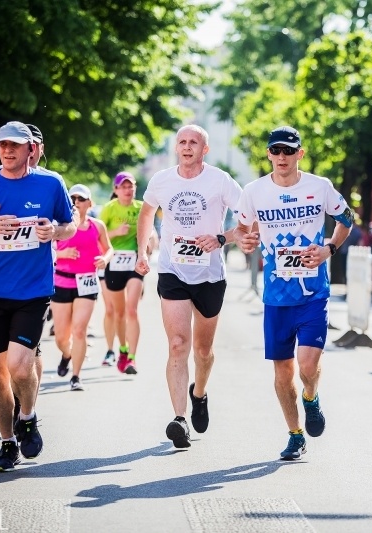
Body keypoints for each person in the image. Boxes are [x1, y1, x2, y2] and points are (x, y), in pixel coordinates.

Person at [233, 126, 353, 460]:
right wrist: (245, 240)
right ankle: (295, 434)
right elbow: (243, 228)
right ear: (269, 154)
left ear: (300, 153)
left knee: (306, 366)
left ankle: (311, 397)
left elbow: (348, 218)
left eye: (289, 151)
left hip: (314, 292)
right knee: (283, 372)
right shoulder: (254, 191)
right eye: (276, 151)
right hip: (276, 297)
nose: (282, 157)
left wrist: (329, 248)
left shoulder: (320, 187)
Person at [0, 121, 75, 472]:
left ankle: (26, 416)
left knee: (19, 365)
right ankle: (7, 442)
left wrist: (54, 231)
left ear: (31, 148)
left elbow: (69, 224)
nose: (7, 151)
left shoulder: (50, 183)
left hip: (33, 291)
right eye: (2, 146)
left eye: (14, 145)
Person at [135, 124, 243, 449]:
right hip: (172, 271)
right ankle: (180, 419)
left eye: (193, 142)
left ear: (204, 149)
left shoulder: (220, 180)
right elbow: (146, 214)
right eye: (181, 141)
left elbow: (248, 217)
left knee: (203, 351)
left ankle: (200, 393)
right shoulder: (162, 180)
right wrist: (142, 251)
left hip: (210, 276)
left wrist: (222, 238)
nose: (186, 146)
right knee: (179, 345)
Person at [52, 183, 113, 391]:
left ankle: (76, 376)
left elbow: (109, 249)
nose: (76, 203)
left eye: (81, 199)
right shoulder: (59, 225)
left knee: (79, 330)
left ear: (89, 203)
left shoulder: (98, 226)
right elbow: (45, 251)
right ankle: (67, 354)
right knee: (61, 336)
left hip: (87, 282)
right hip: (61, 281)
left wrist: (105, 259)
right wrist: (62, 254)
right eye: (73, 199)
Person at [98, 171, 144, 374]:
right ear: (116, 190)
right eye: (123, 186)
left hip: (134, 263)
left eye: (131, 186)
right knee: (118, 312)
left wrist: (149, 240)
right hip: (113, 263)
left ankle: (132, 359)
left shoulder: (142, 207)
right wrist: (116, 233)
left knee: (132, 310)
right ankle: (122, 349)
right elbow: (96, 235)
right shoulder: (108, 209)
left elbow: (150, 230)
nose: (128, 190)